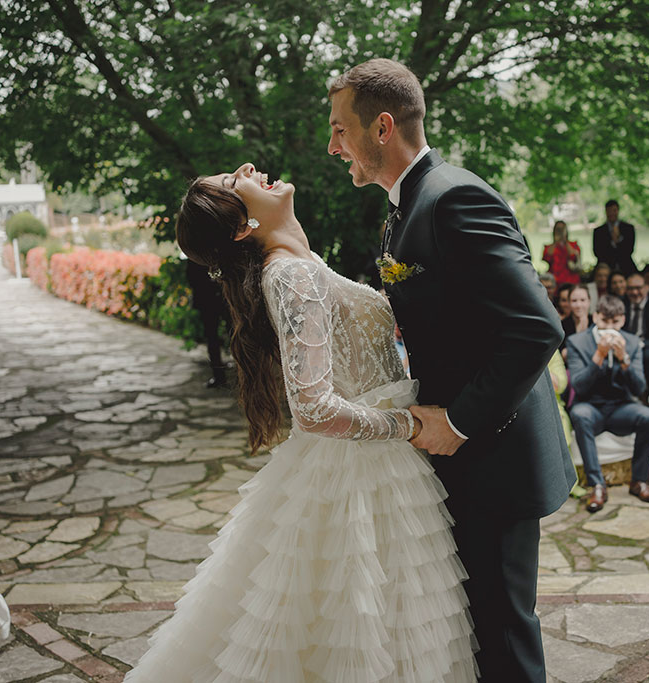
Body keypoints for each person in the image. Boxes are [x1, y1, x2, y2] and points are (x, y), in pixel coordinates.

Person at [126, 162, 479, 682]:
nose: (247, 168)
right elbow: (312, 407)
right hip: (361, 473)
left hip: (377, 462)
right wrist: (406, 425)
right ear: (244, 227)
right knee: (360, 627)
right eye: (233, 182)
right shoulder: (292, 276)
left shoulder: (301, 261)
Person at [326, 58, 575, 681]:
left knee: (504, 635)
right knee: (476, 634)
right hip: (460, 456)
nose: (332, 146)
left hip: (494, 454)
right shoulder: (403, 208)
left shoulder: (452, 197)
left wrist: (459, 423)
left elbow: (537, 326)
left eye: (338, 129)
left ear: (382, 128)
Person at [567, 294, 649, 513]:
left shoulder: (633, 343)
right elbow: (579, 386)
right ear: (595, 317)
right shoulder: (576, 342)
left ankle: (639, 481)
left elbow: (639, 389)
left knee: (648, 417)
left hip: (621, 408)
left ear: (623, 321)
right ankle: (597, 485)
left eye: (615, 323)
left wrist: (624, 358)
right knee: (580, 415)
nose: (610, 328)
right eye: (605, 322)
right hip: (590, 407)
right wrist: (598, 356)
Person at [185, 259, 231, 388]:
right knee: (215, 337)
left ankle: (221, 375)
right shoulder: (203, 252)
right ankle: (219, 374)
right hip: (212, 298)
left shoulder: (197, 252)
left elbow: (191, 277)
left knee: (228, 335)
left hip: (218, 298)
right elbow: (192, 277)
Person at [593, 200, 636, 275]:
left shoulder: (628, 229)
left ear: (618, 211)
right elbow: (597, 252)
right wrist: (612, 242)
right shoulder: (599, 231)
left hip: (626, 266)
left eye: (614, 210)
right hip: (606, 266)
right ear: (606, 212)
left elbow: (629, 250)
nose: (611, 213)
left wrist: (618, 239)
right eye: (609, 211)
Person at [542, 220, 581, 285]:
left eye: (562, 229)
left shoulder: (573, 245)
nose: (560, 231)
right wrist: (555, 242)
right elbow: (547, 257)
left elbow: (573, 256)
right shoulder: (550, 247)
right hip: (554, 280)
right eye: (558, 229)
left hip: (570, 280)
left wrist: (565, 240)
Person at [562, 283, 592, 349]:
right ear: (569, 303)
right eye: (574, 301)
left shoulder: (597, 322)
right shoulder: (562, 326)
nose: (578, 305)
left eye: (583, 300)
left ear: (589, 301)